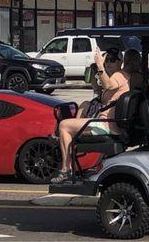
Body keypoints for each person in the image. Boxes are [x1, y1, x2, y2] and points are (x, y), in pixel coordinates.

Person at [51, 47, 130, 183]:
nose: (109, 63)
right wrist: (95, 72)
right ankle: (71, 138)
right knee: (85, 105)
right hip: (108, 121)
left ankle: (66, 169)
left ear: (120, 62)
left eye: (113, 60)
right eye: (107, 60)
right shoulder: (115, 76)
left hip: (107, 124)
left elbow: (109, 85)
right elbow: (101, 92)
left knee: (64, 125)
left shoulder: (120, 75)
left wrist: (100, 66)